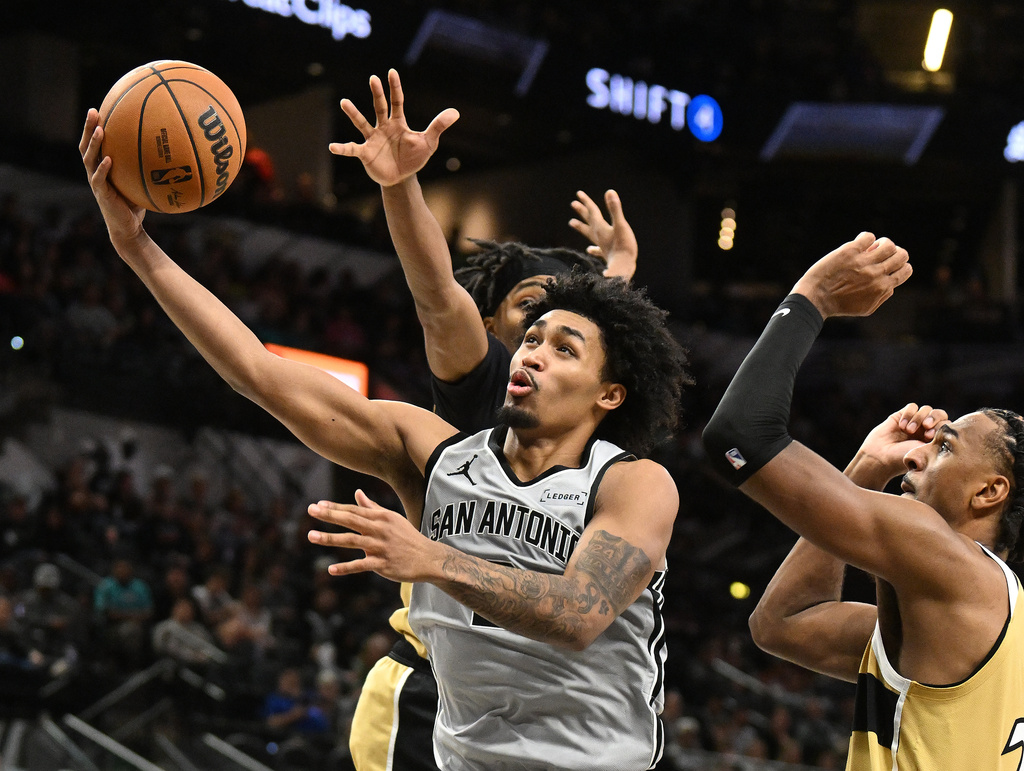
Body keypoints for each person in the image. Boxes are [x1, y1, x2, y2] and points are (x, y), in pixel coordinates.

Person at [81, 101, 691, 768]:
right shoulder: (434, 452)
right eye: (531, 336)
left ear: (610, 394)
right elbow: (258, 370)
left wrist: (432, 558)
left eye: (562, 348)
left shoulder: (635, 483)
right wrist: (135, 246)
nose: (533, 353)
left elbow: (579, 610)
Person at [330, 69, 640, 770]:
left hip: (527, 698)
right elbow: (436, 289)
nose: (546, 324)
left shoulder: (578, 410)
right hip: (435, 691)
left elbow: (600, 332)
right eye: (531, 307)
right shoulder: (487, 381)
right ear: (494, 318)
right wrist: (399, 185)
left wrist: (620, 264)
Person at [702, 232, 1024, 769]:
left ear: (990, 492)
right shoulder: (975, 613)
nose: (916, 456)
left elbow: (739, 436)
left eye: (944, 447)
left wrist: (813, 298)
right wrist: (866, 468)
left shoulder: (953, 563)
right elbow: (782, 624)